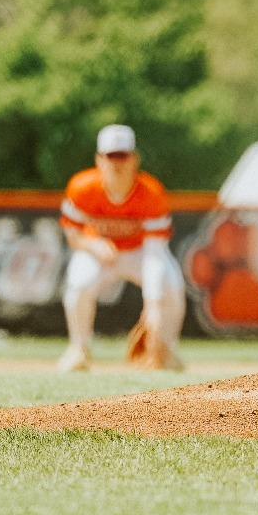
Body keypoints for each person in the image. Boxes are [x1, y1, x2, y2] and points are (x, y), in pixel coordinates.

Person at [57, 124, 186, 372]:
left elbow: (155, 255)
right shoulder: (82, 188)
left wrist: (153, 308)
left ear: (134, 159)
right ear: (99, 159)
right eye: (110, 156)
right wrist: (93, 245)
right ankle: (78, 349)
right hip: (100, 252)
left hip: (142, 252)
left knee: (171, 287)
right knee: (78, 284)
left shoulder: (151, 193)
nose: (117, 163)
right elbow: (73, 236)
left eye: (122, 156)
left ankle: (165, 349)